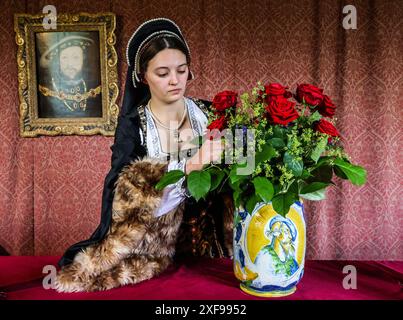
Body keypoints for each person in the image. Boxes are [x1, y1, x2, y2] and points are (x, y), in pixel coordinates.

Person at [54, 18, 233, 292]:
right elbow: (125, 201)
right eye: (162, 73)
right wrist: (189, 167)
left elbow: (242, 176)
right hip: (152, 250)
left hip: (212, 252)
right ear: (143, 76)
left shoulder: (210, 115)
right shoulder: (134, 127)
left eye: (182, 70)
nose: (175, 80)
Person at [37, 33, 102, 118]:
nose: (70, 64)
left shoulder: (95, 88)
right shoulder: (44, 92)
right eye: (64, 57)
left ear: (83, 59)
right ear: (58, 61)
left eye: (76, 57)